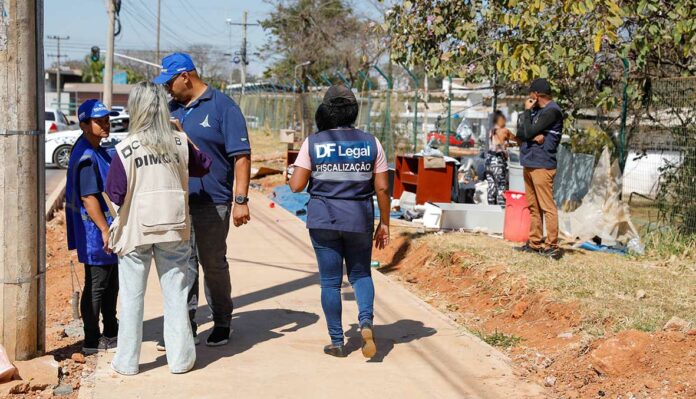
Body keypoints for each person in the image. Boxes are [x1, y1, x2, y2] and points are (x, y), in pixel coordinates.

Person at [105, 82, 212, 375]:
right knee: (176, 296)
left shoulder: (125, 148)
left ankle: (127, 362)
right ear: (164, 110)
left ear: (135, 109)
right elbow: (204, 165)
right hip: (174, 228)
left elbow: (114, 192)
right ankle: (181, 361)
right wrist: (182, 132)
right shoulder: (178, 143)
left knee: (132, 297)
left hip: (137, 230)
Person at [153, 53, 251, 347]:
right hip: (178, 201)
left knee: (212, 263)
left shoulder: (223, 108)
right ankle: (185, 323)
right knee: (184, 264)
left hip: (213, 201)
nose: (168, 89)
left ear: (186, 76)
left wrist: (241, 199)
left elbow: (241, 157)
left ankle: (222, 321)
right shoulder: (171, 110)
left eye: (170, 82)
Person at [288, 85, 391, 358]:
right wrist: (385, 223)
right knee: (360, 274)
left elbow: (296, 186)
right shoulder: (372, 143)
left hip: (323, 220)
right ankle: (366, 321)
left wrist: (293, 173)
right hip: (359, 219)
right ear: (354, 111)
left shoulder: (313, 142)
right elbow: (382, 189)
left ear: (326, 110)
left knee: (330, 282)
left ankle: (337, 341)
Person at [65, 99, 120, 354]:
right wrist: (105, 230)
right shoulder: (87, 155)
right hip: (96, 231)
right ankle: (91, 339)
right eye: (99, 121)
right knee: (98, 284)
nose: (105, 124)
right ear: (85, 125)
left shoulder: (96, 148)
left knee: (109, 283)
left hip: (101, 229)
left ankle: (110, 331)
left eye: (106, 119)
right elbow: (89, 198)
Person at [515, 78, 564, 260]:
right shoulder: (536, 111)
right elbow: (522, 132)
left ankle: (552, 246)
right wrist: (533, 133)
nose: (529, 97)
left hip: (543, 164)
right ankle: (535, 243)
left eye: (530, 94)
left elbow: (527, 132)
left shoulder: (552, 111)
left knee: (547, 207)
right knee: (533, 206)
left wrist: (530, 128)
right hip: (529, 162)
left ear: (536, 95)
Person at [484, 111, 515, 205]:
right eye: (503, 119)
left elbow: (499, 144)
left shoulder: (490, 131)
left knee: (491, 187)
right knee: (501, 186)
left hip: (488, 162)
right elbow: (517, 139)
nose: (505, 121)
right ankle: (500, 211)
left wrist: (508, 145)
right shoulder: (504, 131)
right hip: (498, 162)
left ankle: (491, 209)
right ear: (499, 120)